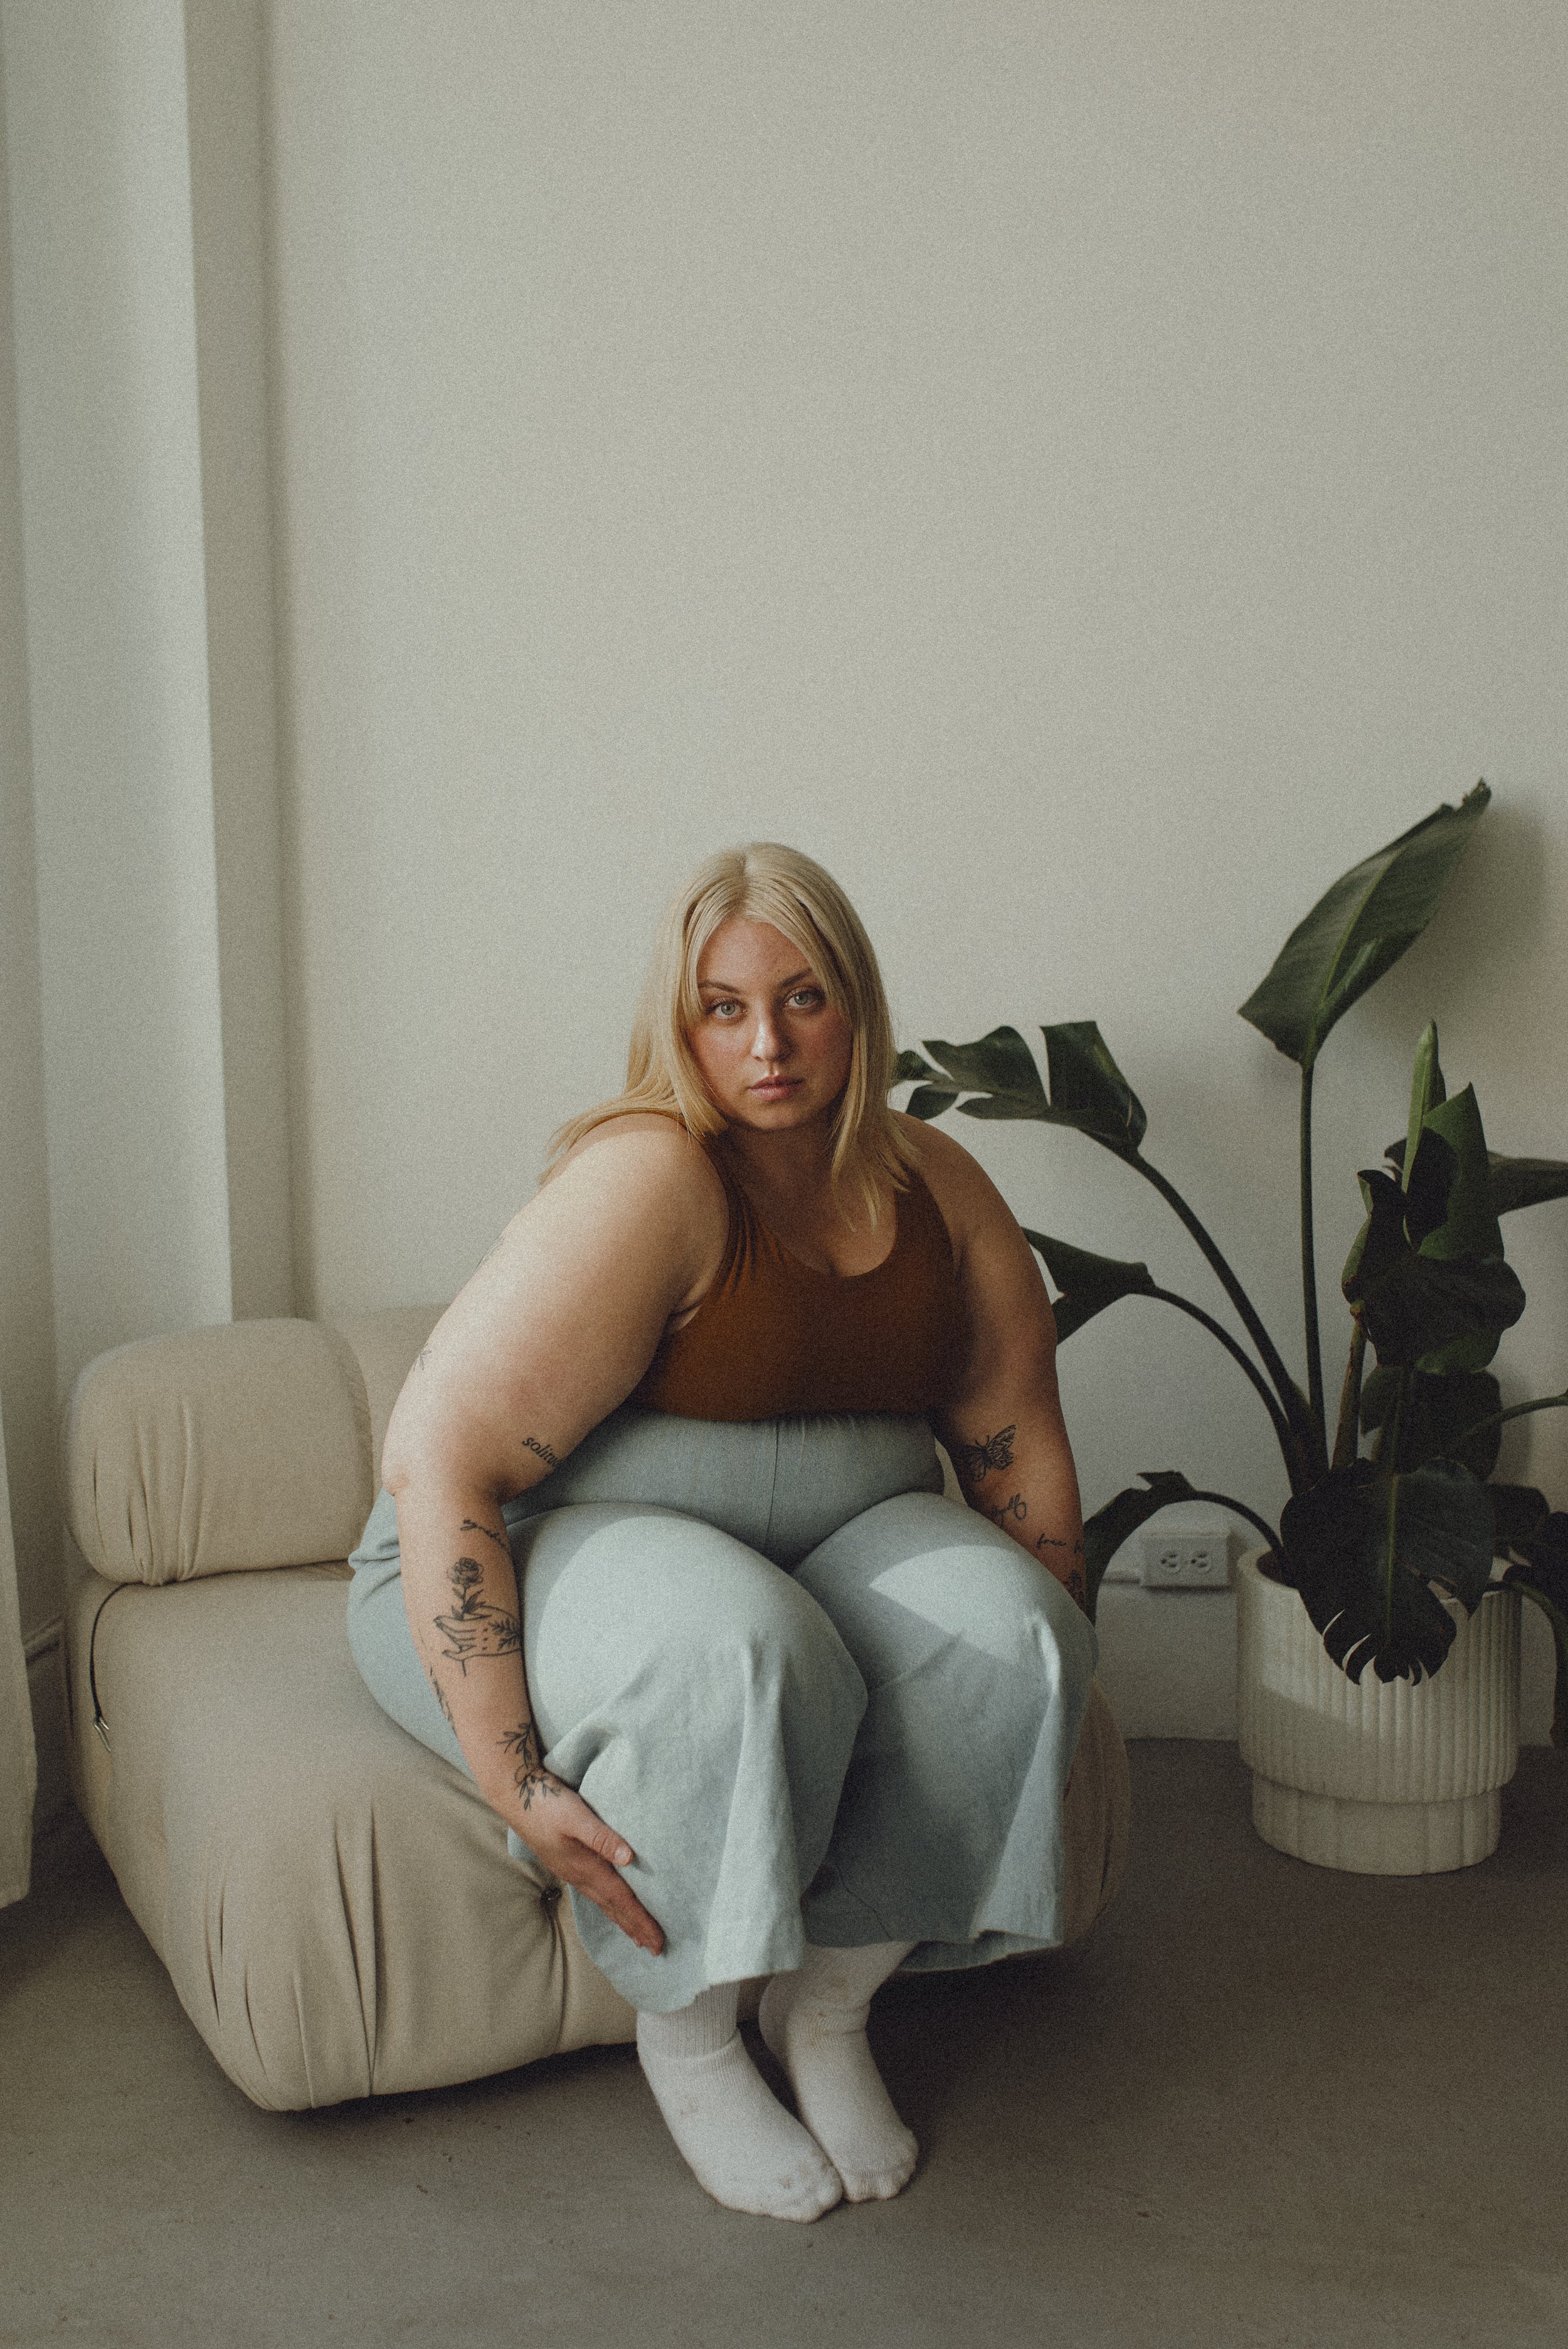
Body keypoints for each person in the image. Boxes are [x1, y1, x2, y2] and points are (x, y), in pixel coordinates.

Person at [347, 842, 1096, 2222]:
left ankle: (826, 2008)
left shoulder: (937, 1183)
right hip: (544, 1545)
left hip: (831, 1538)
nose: (767, 1044)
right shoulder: (651, 1177)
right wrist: (510, 1769)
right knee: (743, 1645)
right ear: (677, 1022)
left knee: (1009, 1636)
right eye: (723, 1006)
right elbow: (434, 1455)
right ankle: (690, 2038)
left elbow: (1015, 1433)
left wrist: (1048, 1671)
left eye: (804, 998)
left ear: (858, 1007)